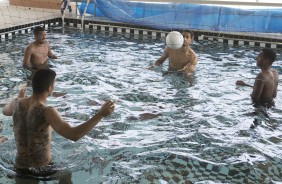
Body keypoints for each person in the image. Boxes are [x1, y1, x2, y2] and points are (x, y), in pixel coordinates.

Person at [2, 69, 115, 180]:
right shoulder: (47, 111)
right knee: (66, 174)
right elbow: (74, 135)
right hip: (43, 168)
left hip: (19, 167)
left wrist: (19, 98)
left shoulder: (17, 104)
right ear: (50, 87)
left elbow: (5, 111)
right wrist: (100, 115)